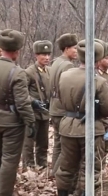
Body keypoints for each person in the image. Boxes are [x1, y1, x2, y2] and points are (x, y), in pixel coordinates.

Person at [55, 39, 108, 196]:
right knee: (90, 168)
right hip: (92, 129)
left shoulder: (64, 75)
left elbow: (60, 99)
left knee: (66, 167)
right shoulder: (99, 81)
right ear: (98, 58)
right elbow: (107, 110)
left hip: (67, 126)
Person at [0, 29, 36, 195]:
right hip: (12, 124)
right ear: (16, 51)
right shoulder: (17, 72)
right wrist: (30, 122)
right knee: (9, 161)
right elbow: (22, 103)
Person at [49, 33, 78, 176]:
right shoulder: (67, 65)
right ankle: (57, 173)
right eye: (74, 48)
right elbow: (66, 89)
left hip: (54, 107)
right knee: (65, 145)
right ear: (66, 48)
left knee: (58, 144)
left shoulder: (56, 62)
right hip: (62, 109)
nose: (77, 51)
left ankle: (53, 173)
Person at [22, 40, 52, 169]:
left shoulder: (49, 71)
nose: (46, 57)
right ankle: (28, 166)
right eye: (42, 55)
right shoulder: (28, 72)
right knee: (29, 143)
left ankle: (42, 164)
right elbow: (22, 93)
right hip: (32, 112)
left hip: (45, 112)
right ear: (36, 55)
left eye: (48, 54)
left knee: (43, 142)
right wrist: (32, 101)